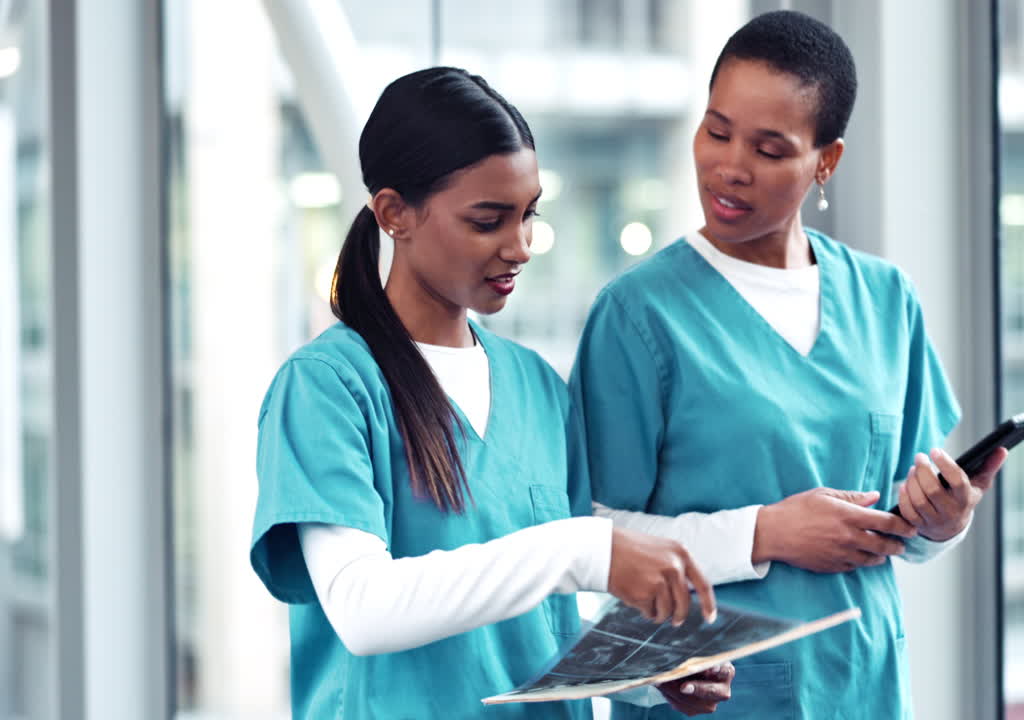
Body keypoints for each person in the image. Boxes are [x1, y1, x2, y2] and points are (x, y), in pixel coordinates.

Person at [249, 67, 733, 720]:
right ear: (394, 213)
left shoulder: (538, 388)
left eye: (529, 215)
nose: (521, 246)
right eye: (488, 221)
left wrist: (646, 669)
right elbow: (363, 608)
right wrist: (583, 550)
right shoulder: (327, 388)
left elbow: (548, 617)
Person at [571, 11, 1007, 720]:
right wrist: (763, 534)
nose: (730, 167)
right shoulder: (638, 314)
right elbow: (592, 534)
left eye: (770, 149)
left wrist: (942, 521)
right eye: (717, 132)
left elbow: (898, 522)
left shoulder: (885, 299)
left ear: (825, 161)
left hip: (861, 682)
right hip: (710, 692)